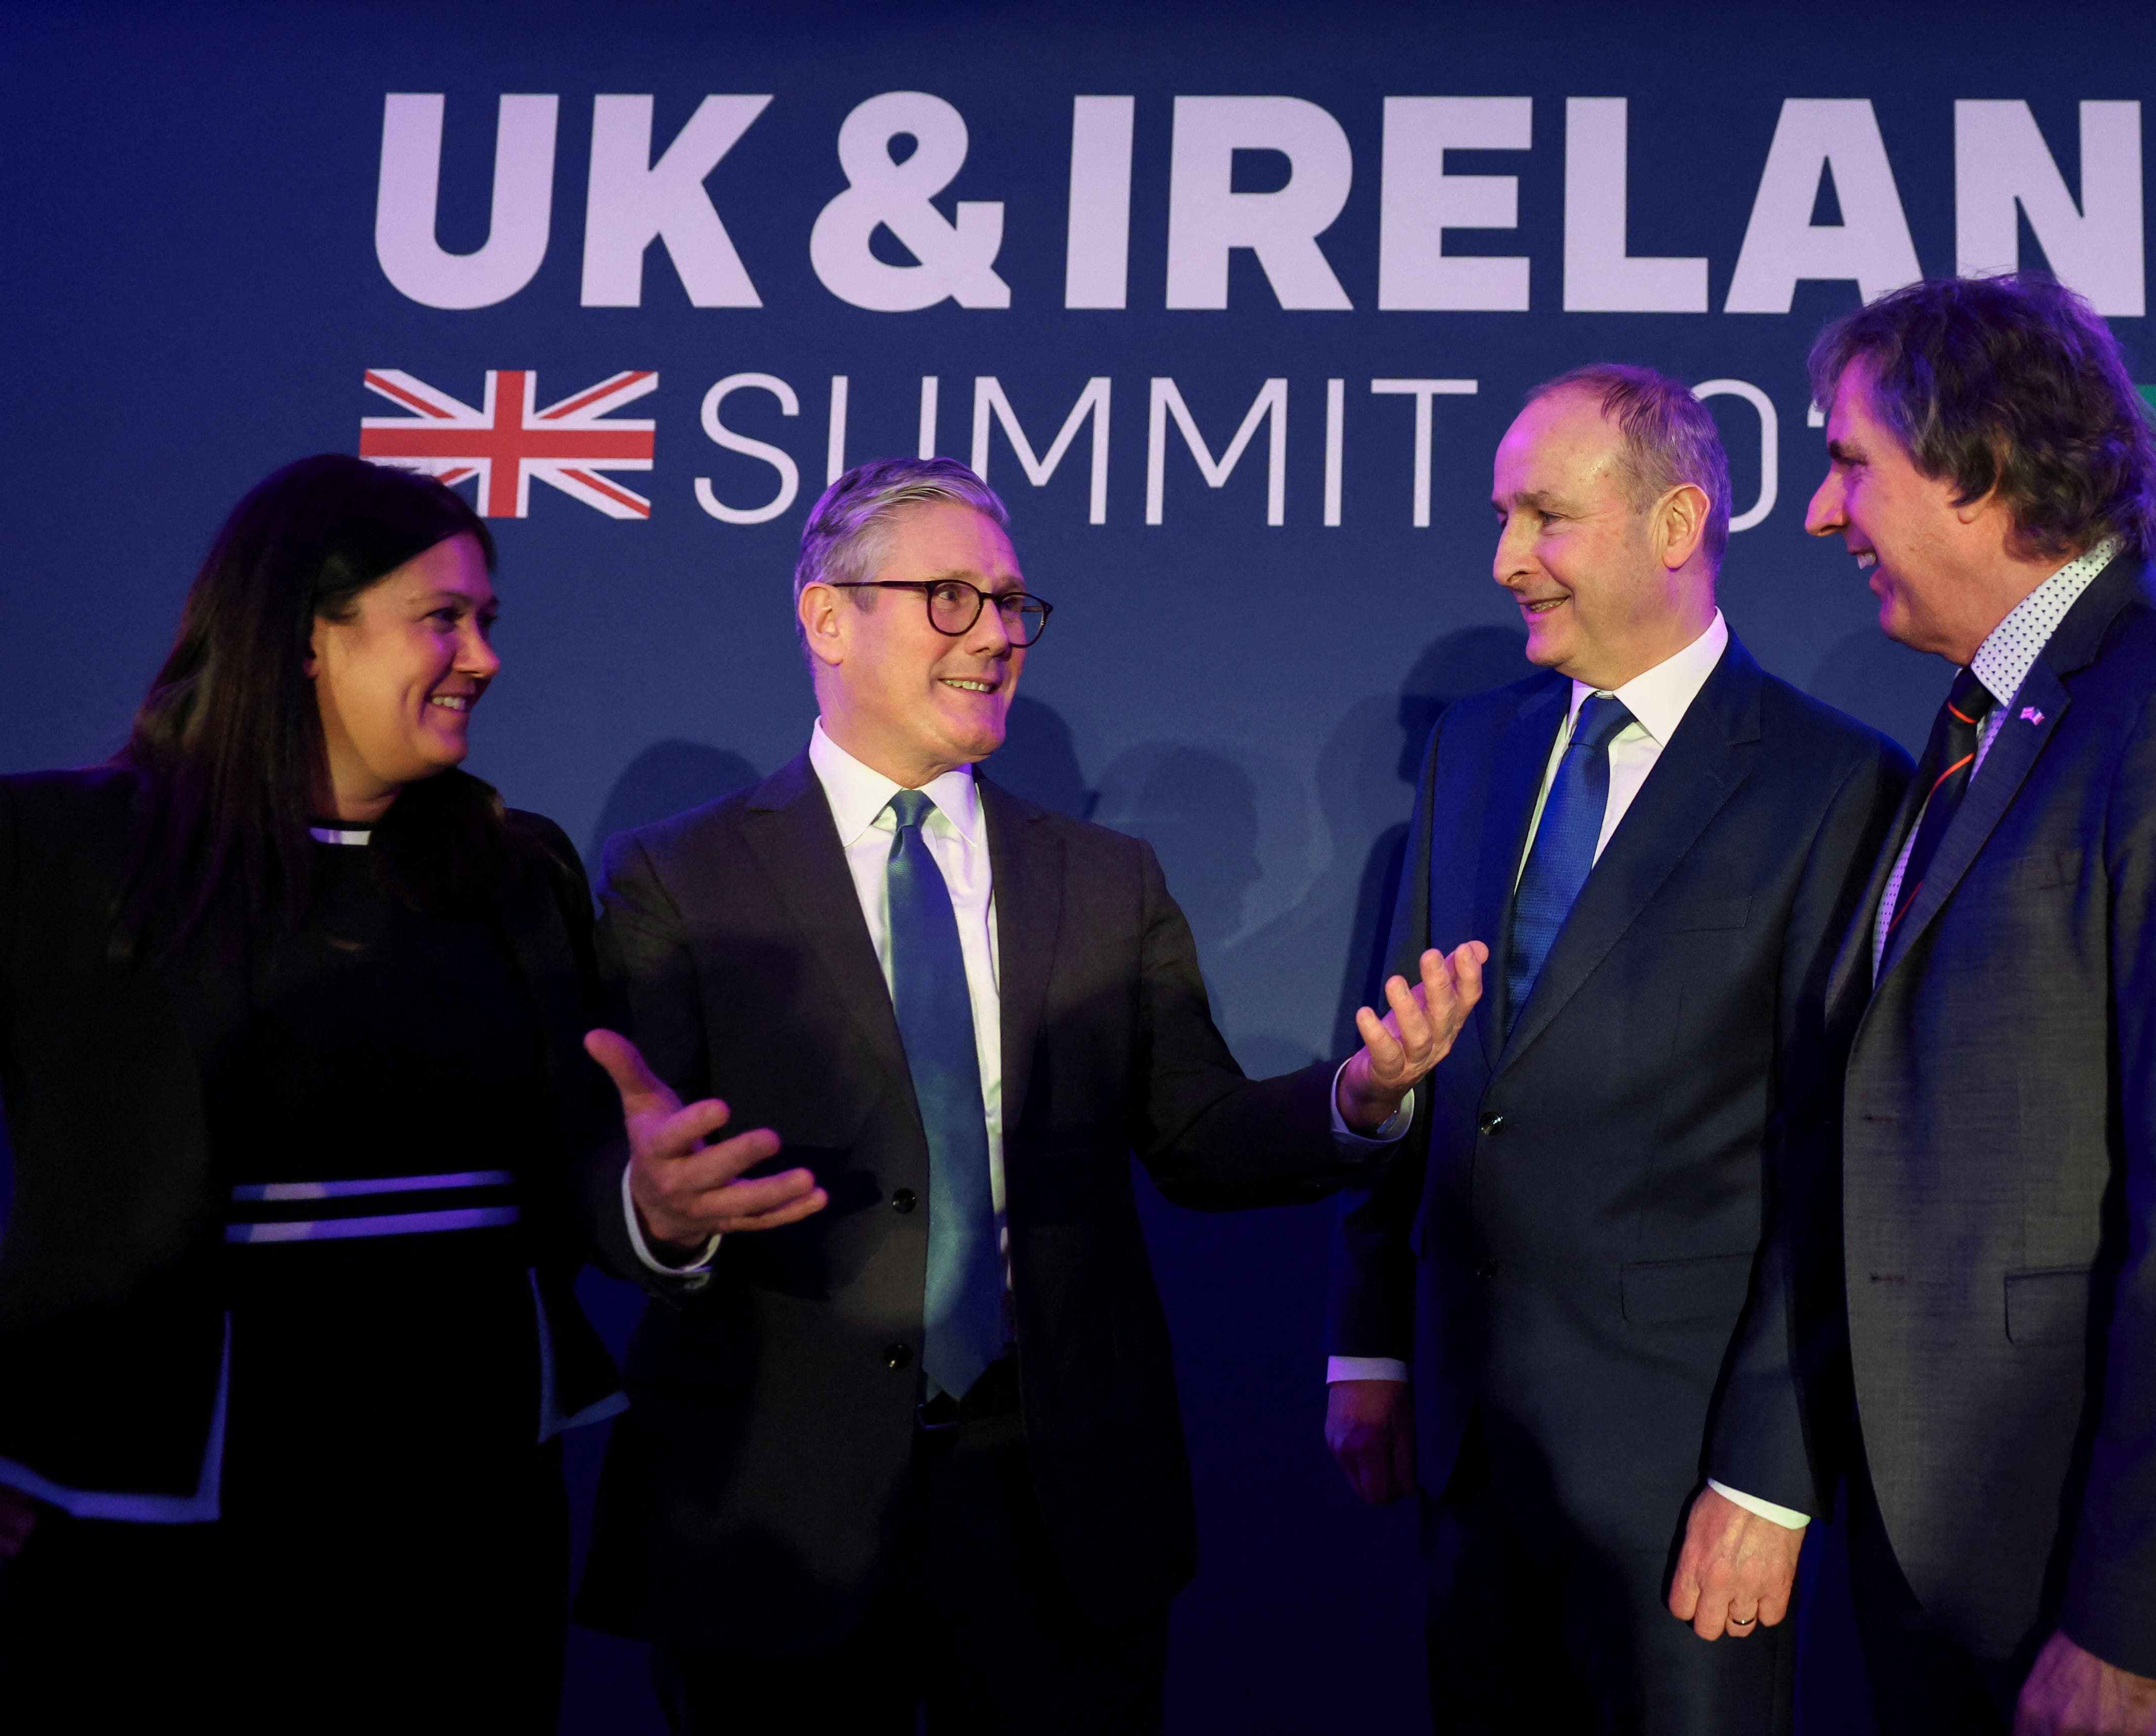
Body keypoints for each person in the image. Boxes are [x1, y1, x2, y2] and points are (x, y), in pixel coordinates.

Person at [573, 455, 1485, 1734]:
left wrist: (1360, 1092)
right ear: (827, 615)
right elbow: (607, 1171)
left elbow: (1201, 1138)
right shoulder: (679, 873)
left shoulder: (1101, 878)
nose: (997, 633)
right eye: (951, 597)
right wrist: (656, 1211)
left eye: (1010, 603)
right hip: (774, 1506)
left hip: (1054, 1501)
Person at [1712, 273, 2156, 1734]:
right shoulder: (1988, 723)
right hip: (1957, 1557)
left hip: (2093, 1595)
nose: (1823, 517)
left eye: (1849, 464)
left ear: (1981, 472)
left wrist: (2131, 1630)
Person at [1323, 365, 1910, 1735]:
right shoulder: (1473, 749)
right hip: (1466, 1440)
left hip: (1684, 1469)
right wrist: (1374, 1342)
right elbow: (1414, 1052)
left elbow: (1836, 1159)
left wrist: (1770, 1477)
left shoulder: (1835, 784)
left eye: (1545, 517)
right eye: (1502, 518)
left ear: (1674, 523)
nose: (1505, 560)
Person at [0, 454, 629, 1728]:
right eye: (440, 618)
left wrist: (656, 1208)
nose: (483, 657)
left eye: (485, 621)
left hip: (474, 1494)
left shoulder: (519, 869)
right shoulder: (61, 854)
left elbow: (582, 1174)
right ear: (300, 636)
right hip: (171, 1500)